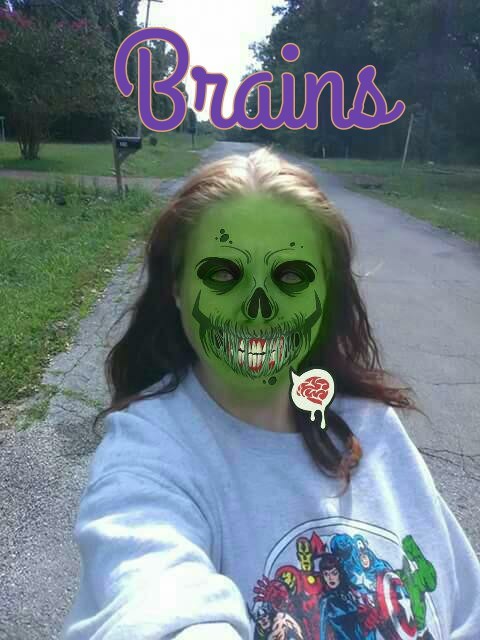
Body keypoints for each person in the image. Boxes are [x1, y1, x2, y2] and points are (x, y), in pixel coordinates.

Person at [61, 148, 480, 640]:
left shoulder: (370, 423)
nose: (259, 309)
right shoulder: (149, 455)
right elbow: (151, 596)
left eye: (291, 276)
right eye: (223, 275)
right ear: (176, 288)